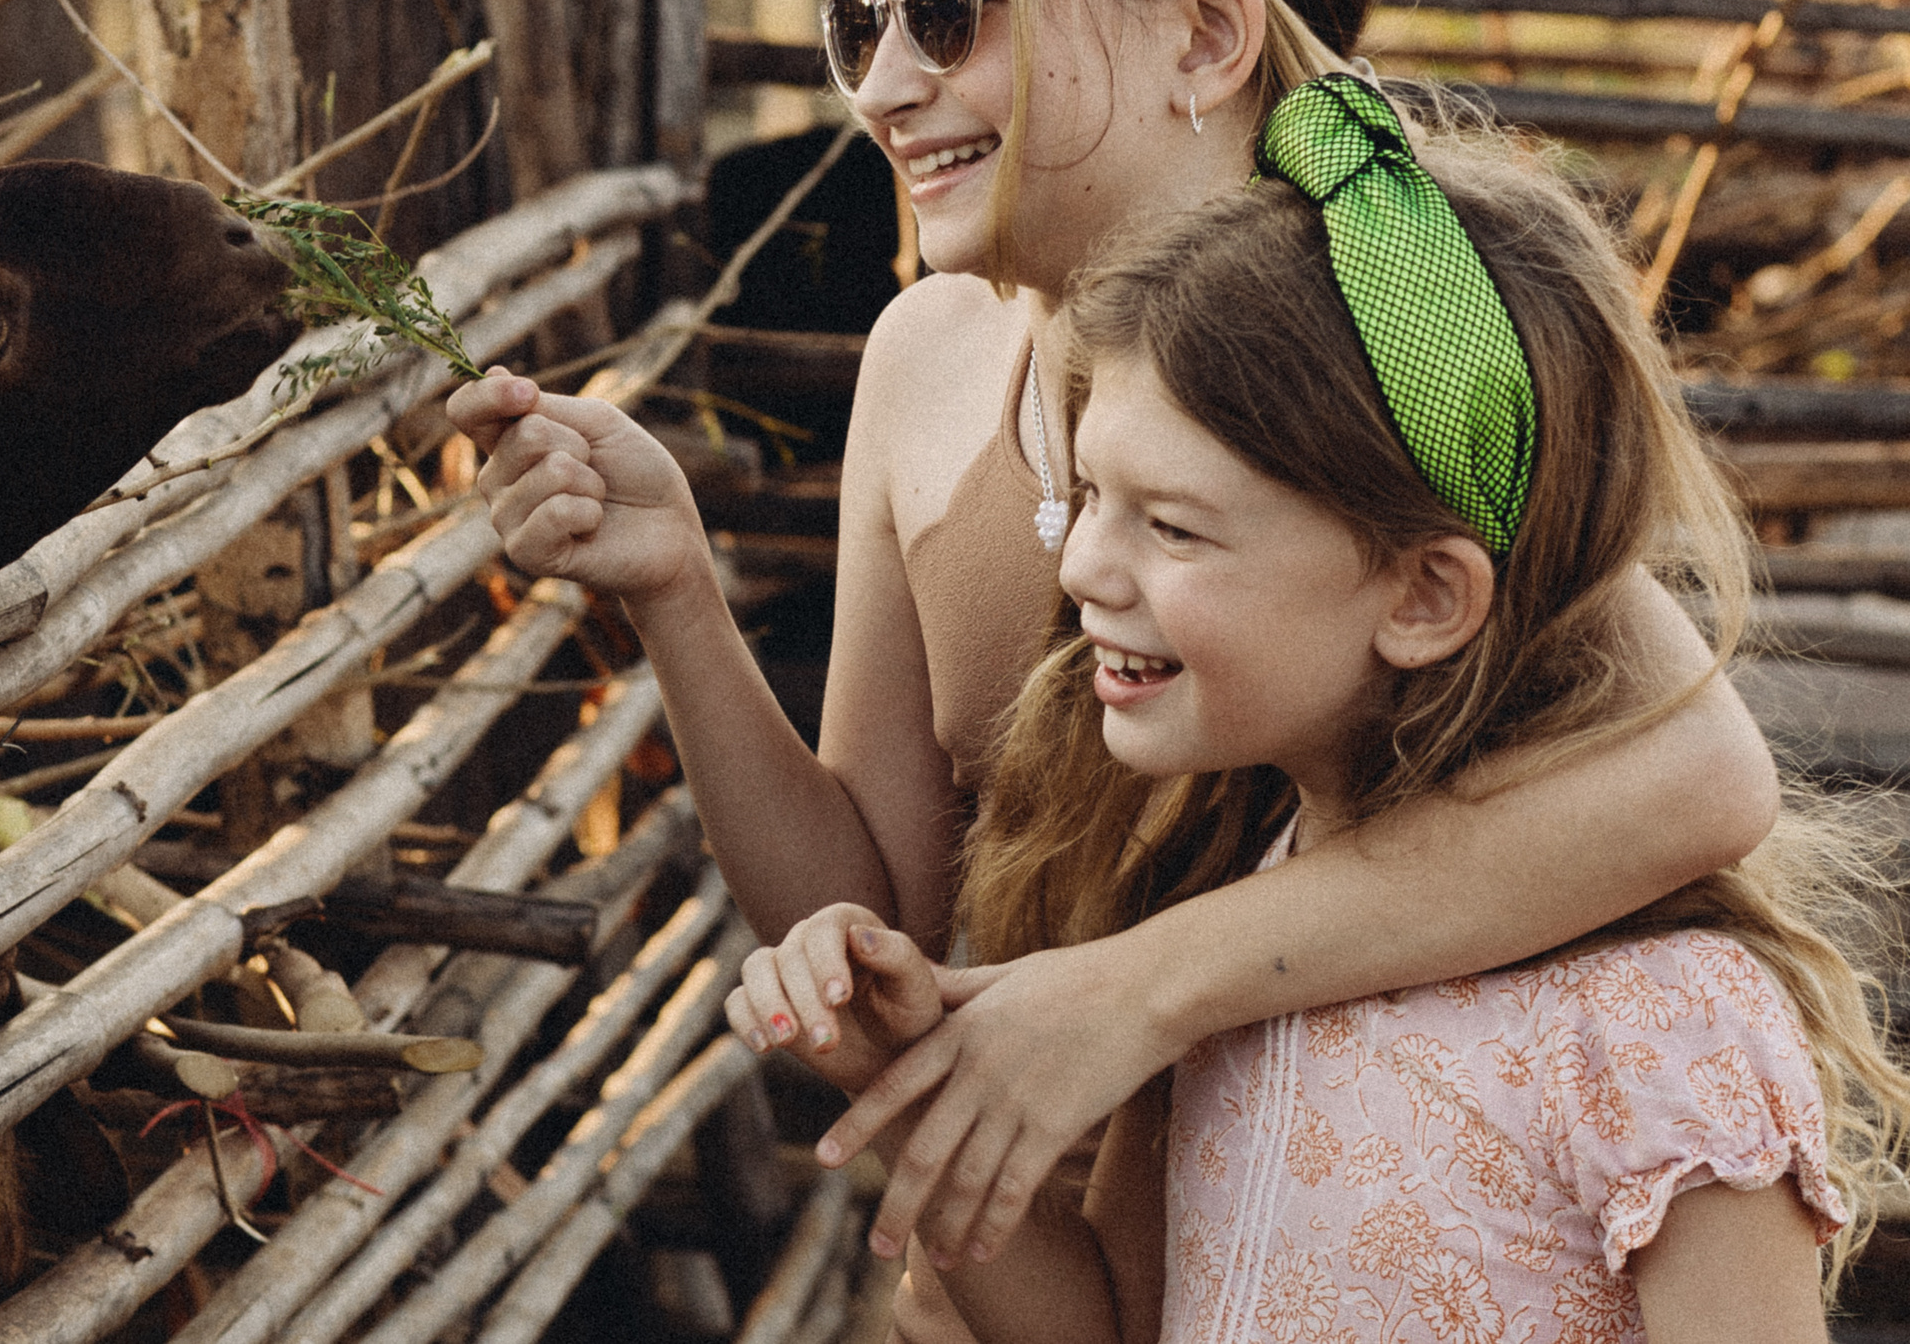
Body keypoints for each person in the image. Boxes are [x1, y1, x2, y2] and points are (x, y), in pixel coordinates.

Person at [445, 0, 1778, 1321]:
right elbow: (884, 909)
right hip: (1021, 1274)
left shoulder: (1376, 347)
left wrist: (1138, 991)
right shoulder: (926, 361)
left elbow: (1699, 774)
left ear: (1204, 33)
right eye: (861, 20)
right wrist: (677, 593)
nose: (881, 85)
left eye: (949, 6)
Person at [727, 74, 1910, 1343]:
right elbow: (1111, 1327)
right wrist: (905, 1080)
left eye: (1172, 526)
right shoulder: (1217, 937)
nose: (1081, 570)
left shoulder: (1663, 1027)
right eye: (1093, 498)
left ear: (1423, 596)